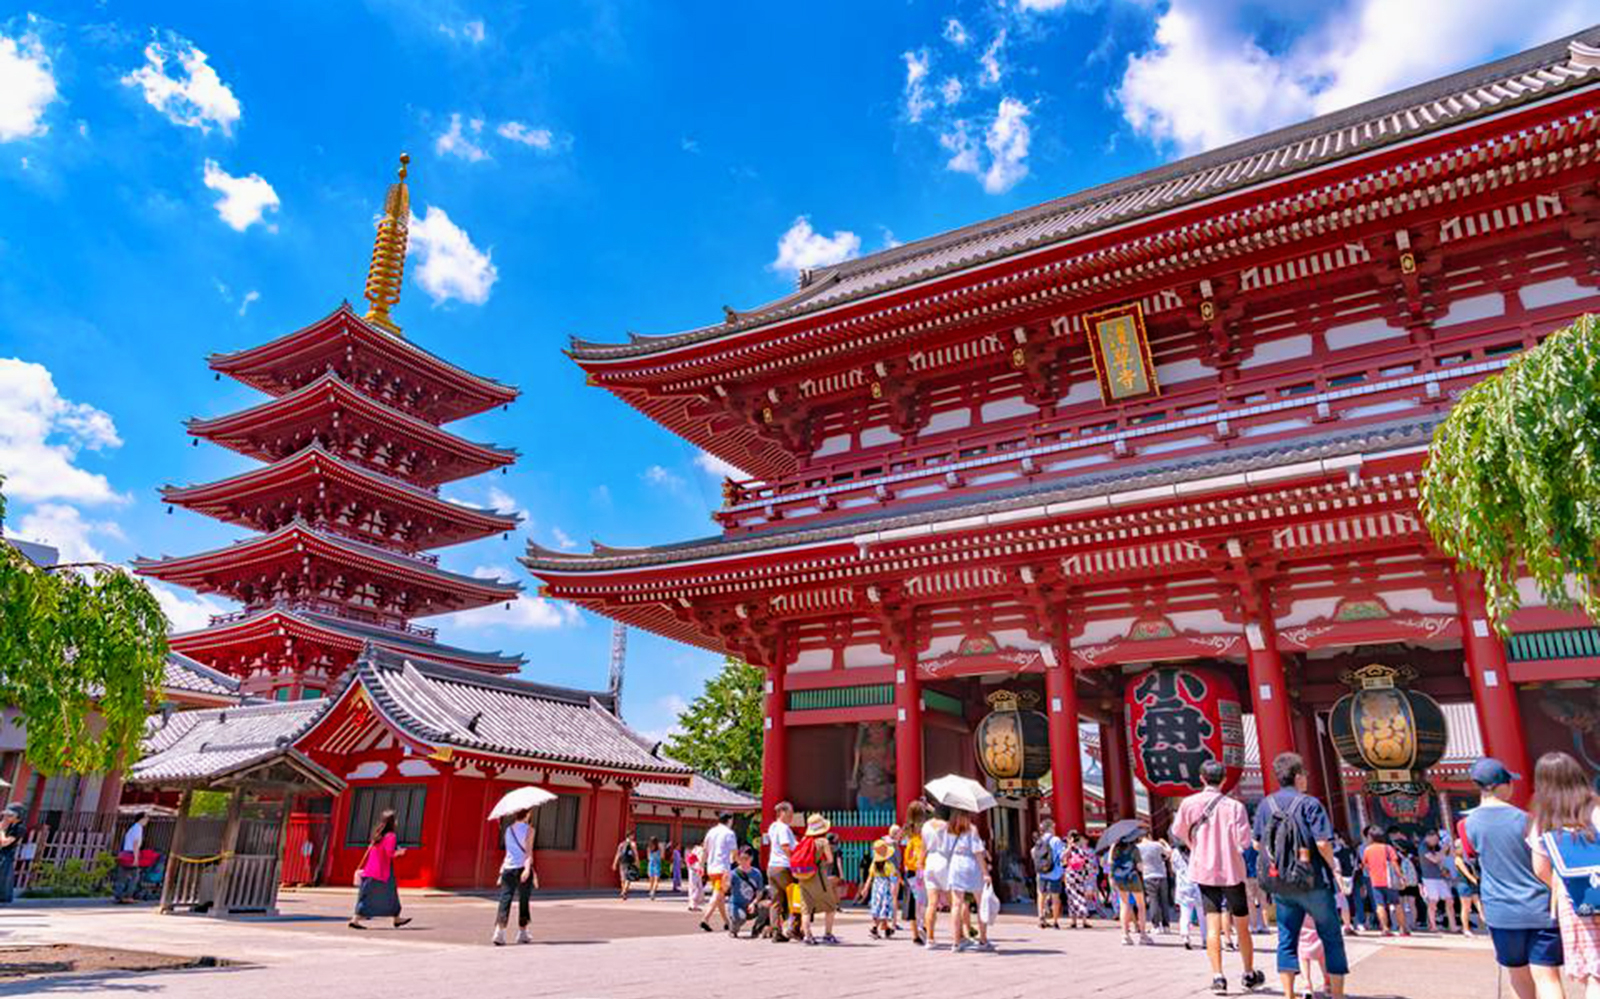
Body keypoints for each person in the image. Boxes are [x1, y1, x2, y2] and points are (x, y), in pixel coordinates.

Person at [1461, 757, 1562, 999]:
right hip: (1539, 908)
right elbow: (1543, 866)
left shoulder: (1467, 825)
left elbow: (1471, 855)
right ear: (1501, 785)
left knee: (1517, 976)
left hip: (1501, 911)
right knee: (1548, 977)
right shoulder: (1527, 820)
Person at [1251, 752, 1349, 999]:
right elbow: (1323, 843)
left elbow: (1256, 844)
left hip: (1282, 883)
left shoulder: (1266, 805)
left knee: (1287, 937)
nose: (1306, 778)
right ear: (1297, 776)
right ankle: (1336, 994)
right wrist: (1334, 868)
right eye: (1304, 774)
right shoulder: (1310, 804)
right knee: (1331, 936)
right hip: (1313, 880)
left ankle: (1288, 994)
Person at [1172, 758, 1263, 995]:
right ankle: (1248, 972)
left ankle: (1218, 977)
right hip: (1232, 870)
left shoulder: (1189, 803)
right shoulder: (1235, 807)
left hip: (1204, 869)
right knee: (1241, 925)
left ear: (1201, 778)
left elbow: (1178, 832)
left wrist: (1195, 845)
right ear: (1224, 779)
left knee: (1212, 925)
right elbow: (1244, 842)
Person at [1527, 751, 1600, 998]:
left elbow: (1540, 869)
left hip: (1575, 901)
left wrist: (1567, 885)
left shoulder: (1543, 820)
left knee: (1594, 973)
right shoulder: (1596, 809)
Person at [349, 809, 411, 930]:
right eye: (396, 819)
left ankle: (396, 918)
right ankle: (355, 920)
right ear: (392, 822)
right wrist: (400, 852)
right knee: (390, 895)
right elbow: (390, 853)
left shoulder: (376, 834)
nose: (397, 821)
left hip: (370, 870)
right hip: (383, 871)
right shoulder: (391, 836)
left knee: (366, 895)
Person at [944, 808, 993, 952]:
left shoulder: (949, 830)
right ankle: (983, 939)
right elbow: (977, 853)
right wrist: (985, 873)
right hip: (971, 866)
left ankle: (956, 942)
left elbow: (946, 850)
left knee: (956, 905)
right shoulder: (972, 829)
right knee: (980, 903)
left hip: (955, 865)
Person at [491, 807, 538, 946]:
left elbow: (508, 852)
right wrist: (527, 870)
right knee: (524, 900)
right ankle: (522, 932)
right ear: (528, 814)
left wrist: (501, 872)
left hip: (508, 868)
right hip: (522, 867)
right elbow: (528, 852)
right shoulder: (530, 830)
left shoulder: (508, 830)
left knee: (505, 899)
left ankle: (499, 932)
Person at [794, 813, 839, 945]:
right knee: (830, 905)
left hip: (802, 877)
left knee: (806, 908)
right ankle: (828, 934)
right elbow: (830, 860)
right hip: (818, 877)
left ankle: (808, 936)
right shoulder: (823, 842)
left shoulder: (803, 840)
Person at [1360, 825, 1406, 936]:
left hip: (1375, 881)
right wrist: (1401, 876)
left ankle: (1385, 928)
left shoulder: (1367, 850)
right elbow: (1394, 864)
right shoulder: (1387, 848)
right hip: (1389, 881)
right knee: (1397, 904)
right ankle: (1402, 929)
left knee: (1380, 905)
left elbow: (1364, 866)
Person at [765, 801, 798, 943]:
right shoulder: (784, 828)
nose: (792, 817)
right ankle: (794, 928)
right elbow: (786, 847)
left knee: (776, 901)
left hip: (772, 867)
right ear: (783, 812)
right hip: (784, 867)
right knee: (795, 897)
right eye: (790, 814)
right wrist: (795, 861)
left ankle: (776, 931)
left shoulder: (772, 827)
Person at [700, 812, 738, 933]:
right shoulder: (729, 833)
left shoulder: (711, 832)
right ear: (729, 820)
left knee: (720, 896)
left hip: (711, 867)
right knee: (718, 894)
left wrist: (702, 865)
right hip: (723, 868)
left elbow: (705, 850)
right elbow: (734, 852)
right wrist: (735, 863)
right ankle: (705, 919)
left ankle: (727, 922)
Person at [1110, 835, 1150, 946]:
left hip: (1120, 879)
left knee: (1124, 905)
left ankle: (1125, 936)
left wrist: (1111, 878)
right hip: (1133, 878)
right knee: (1141, 906)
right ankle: (1142, 935)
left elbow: (1111, 863)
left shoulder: (1115, 849)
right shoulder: (1134, 849)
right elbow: (1139, 866)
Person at [921, 806, 952, 948]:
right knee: (954, 903)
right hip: (944, 860)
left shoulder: (926, 826)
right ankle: (960, 936)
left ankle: (930, 939)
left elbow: (923, 847)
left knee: (931, 903)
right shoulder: (947, 826)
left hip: (930, 862)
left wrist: (920, 864)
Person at [1419, 830, 1456, 933]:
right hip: (1429, 878)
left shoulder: (1434, 847)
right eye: (1435, 839)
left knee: (1449, 900)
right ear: (1429, 837)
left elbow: (1441, 859)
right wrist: (1444, 850)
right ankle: (1433, 926)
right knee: (1433, 902)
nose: (1436, 842)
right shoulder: (1423, 847)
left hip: (1439, 877)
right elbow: (1434, 859)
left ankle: (1453, 925)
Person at [903, 801, 928, 945]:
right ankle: (924, 927)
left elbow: (899, 843)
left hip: (910, 869)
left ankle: (915, 936)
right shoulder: (926, 828)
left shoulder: (907, 829)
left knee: (912, 901)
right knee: (925, 899)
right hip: (923, 868)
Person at [727, 845, 766, 937]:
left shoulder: (756, 873)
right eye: (741, 859)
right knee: (740, 917)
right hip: (737, 905)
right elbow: (725, 889)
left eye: (746, 859)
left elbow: (760, 891)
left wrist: (754, 903)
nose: (743, 861)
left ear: (751, 858)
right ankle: (733, 929)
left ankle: (756, 930)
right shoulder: (734, 874)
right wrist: (725, 881)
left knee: (766, 906)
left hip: (751, 905)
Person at [1453, 827, 1485, 936]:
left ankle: (1486, 924)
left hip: (1471, 883)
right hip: (1464, 884)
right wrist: (1474, 880)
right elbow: (1465, 872)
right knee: (1466, 907)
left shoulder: (1467, 858)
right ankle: (1465, 929)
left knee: (1479, 905)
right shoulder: (1458, 859)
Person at [1137, 831, 1172, 932]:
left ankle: (1156, 926)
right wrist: (1165, 843)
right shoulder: (1157, 845)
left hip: (1148, 875)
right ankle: (1166, 926)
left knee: (1153, 900)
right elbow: (1169, 853)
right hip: (1161, 875)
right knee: (1164, 901)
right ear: (1149, 835)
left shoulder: (1138, 848)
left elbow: (1137, 864)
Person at [112, 812, 149, 904]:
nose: (148, 820)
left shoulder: (132, 828)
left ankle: (119, 895)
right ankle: (128, 896)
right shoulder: (138, 828)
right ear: (142, 819)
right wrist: (136, 858)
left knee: (122, 876)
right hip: (132, 854)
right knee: (134, 877)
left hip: (125, 853)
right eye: (147, 818)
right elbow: (135, 844)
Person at [1033, 819, 1063, 929]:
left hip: (1042, 872)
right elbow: (1061, 856)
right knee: (1055, 897)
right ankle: (1055, 921)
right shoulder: (1056, 840)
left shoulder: (1039, 840)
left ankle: (1041, 918)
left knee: (1041, 894)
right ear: (1050, 827)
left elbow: (1033, 853)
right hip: (1054, 872)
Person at [1063, 831, 1096, 928]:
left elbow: (1062, 860)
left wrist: (1069, 846)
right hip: (1080, 876)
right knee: (1081, 898)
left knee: (1071, 898)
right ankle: (1084, 920)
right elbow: (1088, 864)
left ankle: (1073, 921)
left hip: (1070, 876)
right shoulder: (1082, 851)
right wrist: (1087, 876)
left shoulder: (1068, 850)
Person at [867, 838, 898, 939]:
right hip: (886, 888)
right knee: (884, 908)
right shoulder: (889, 865)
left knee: (877, 907)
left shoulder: (873, 865)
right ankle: (875, 927)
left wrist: (865, 888)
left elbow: (870, 877)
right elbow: (893, 879)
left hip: (876, 887)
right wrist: (894, 891)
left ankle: (886, 929)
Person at [1173, 843, 1202, 950]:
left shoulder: (1175, 852)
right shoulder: (1196, 850)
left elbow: (1174, 868)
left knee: (1185, 913)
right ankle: (1205, 939)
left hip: (1182, 885)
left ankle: (1185, 936)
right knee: (1202, 915)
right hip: (1197, 884)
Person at [1241, 842, 1269, 932]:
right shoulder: (1261, 845)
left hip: (1248, 876)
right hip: (1261, 876)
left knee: (1250, 902)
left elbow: (1242, 862)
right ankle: (1265, 926)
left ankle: (1254, 926)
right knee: (1263, 902)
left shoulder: (1245, 846)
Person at [0, 804, 23, 905]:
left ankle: (3, 898)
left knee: (3, 875)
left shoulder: (19, 827)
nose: (7, 818)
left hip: (7, 854)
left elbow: (5, 842)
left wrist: (1, 830)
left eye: (10, 815)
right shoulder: (9, 825)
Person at [612, 831, 638, 901]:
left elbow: (618, 854)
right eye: (632, 835)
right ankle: (624, 891)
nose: (633, 837)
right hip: (630, 862)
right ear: (630, 836)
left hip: (622, 862)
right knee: (628, 878)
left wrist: (614, 863)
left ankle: (623, 891)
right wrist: (637, 862)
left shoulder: (621, 844)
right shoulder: (633, 844)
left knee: (622, 877)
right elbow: (635, 854)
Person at [686, 842, 705, 910]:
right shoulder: (702, 850)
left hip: (691, 869)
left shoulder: (695, 849)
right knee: (697, 887)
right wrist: (702, 869)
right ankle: (694, 905)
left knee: (692, 887)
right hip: (697, 869)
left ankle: (691, 904)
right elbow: (701, 861)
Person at [646, 836, 663, 901]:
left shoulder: (649, 848)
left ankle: (650, 891)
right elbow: (662, 857)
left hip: (651, 864)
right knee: (656, 880)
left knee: (651, 880)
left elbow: (648, 857)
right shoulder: (659, 848)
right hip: (657, 864)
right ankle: (653, 892)